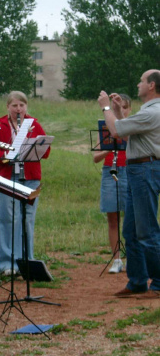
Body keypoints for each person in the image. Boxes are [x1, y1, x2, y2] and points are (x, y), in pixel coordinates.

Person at [98, 69, 160, 299]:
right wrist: (116, 111)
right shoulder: (149, 111)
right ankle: (137, 281)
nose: (138, 84)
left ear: (152, 85)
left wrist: (105, 107)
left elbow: (115, 131)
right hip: (139, 170)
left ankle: (158, 283)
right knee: (131, 229)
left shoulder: (153, 112)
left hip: (145, 170)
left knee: (146, 230)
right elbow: (127, 133)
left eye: (142, 81)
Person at [0, 91, 50, 276]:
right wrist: (7, 157)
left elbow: (45, 152)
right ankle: (7, 263)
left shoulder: (34, 124)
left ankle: (27, 261)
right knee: (9, 218)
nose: (18, 109)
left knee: (27, 219)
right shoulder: (0, 126)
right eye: (14, 106)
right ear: (8, 107)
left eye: (22, 105)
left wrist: (34, 146)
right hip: (8, 177)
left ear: (26, 107)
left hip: (30, 178)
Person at [92, 94, 131, 274]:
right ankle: (116, 259)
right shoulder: (107, 129)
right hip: (110, 172)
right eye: (118, 107)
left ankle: (133, 257)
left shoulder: (133, 127)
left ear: (129, 110)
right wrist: (109, 149)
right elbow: (95, 157)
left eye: (124, 107)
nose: (121, 110)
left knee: (132, 218)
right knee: (112, 218)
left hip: (130, 172)